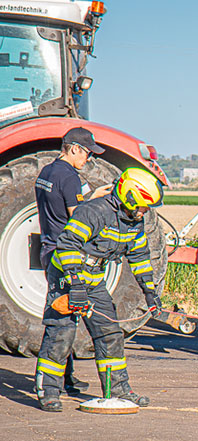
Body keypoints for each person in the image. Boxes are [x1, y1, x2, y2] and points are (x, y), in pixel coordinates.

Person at [35, 168, 165, 412]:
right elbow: (67, 245)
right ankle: (48, 391)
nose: (145, 211)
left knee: (110, 333)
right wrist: (75, 285)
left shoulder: (134, 222)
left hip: (93, 279)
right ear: (130, 198)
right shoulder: (93, 212)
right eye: (143, 206)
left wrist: (150, 291)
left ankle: (118, 389)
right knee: (61, 333)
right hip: (66, 275)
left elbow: (139, 256)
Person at [34, 126, 113, 395]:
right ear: (75, 148)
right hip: (65, 255)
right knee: (63, 324)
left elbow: (57, 207)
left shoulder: (46, 172)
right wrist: (97, 201)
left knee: (62, 317)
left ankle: (64, 379)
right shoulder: (70, 178)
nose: (88, 159)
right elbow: (77, 217)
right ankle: (51, 384)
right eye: (88, 153)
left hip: (48, 248)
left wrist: (89, 195)